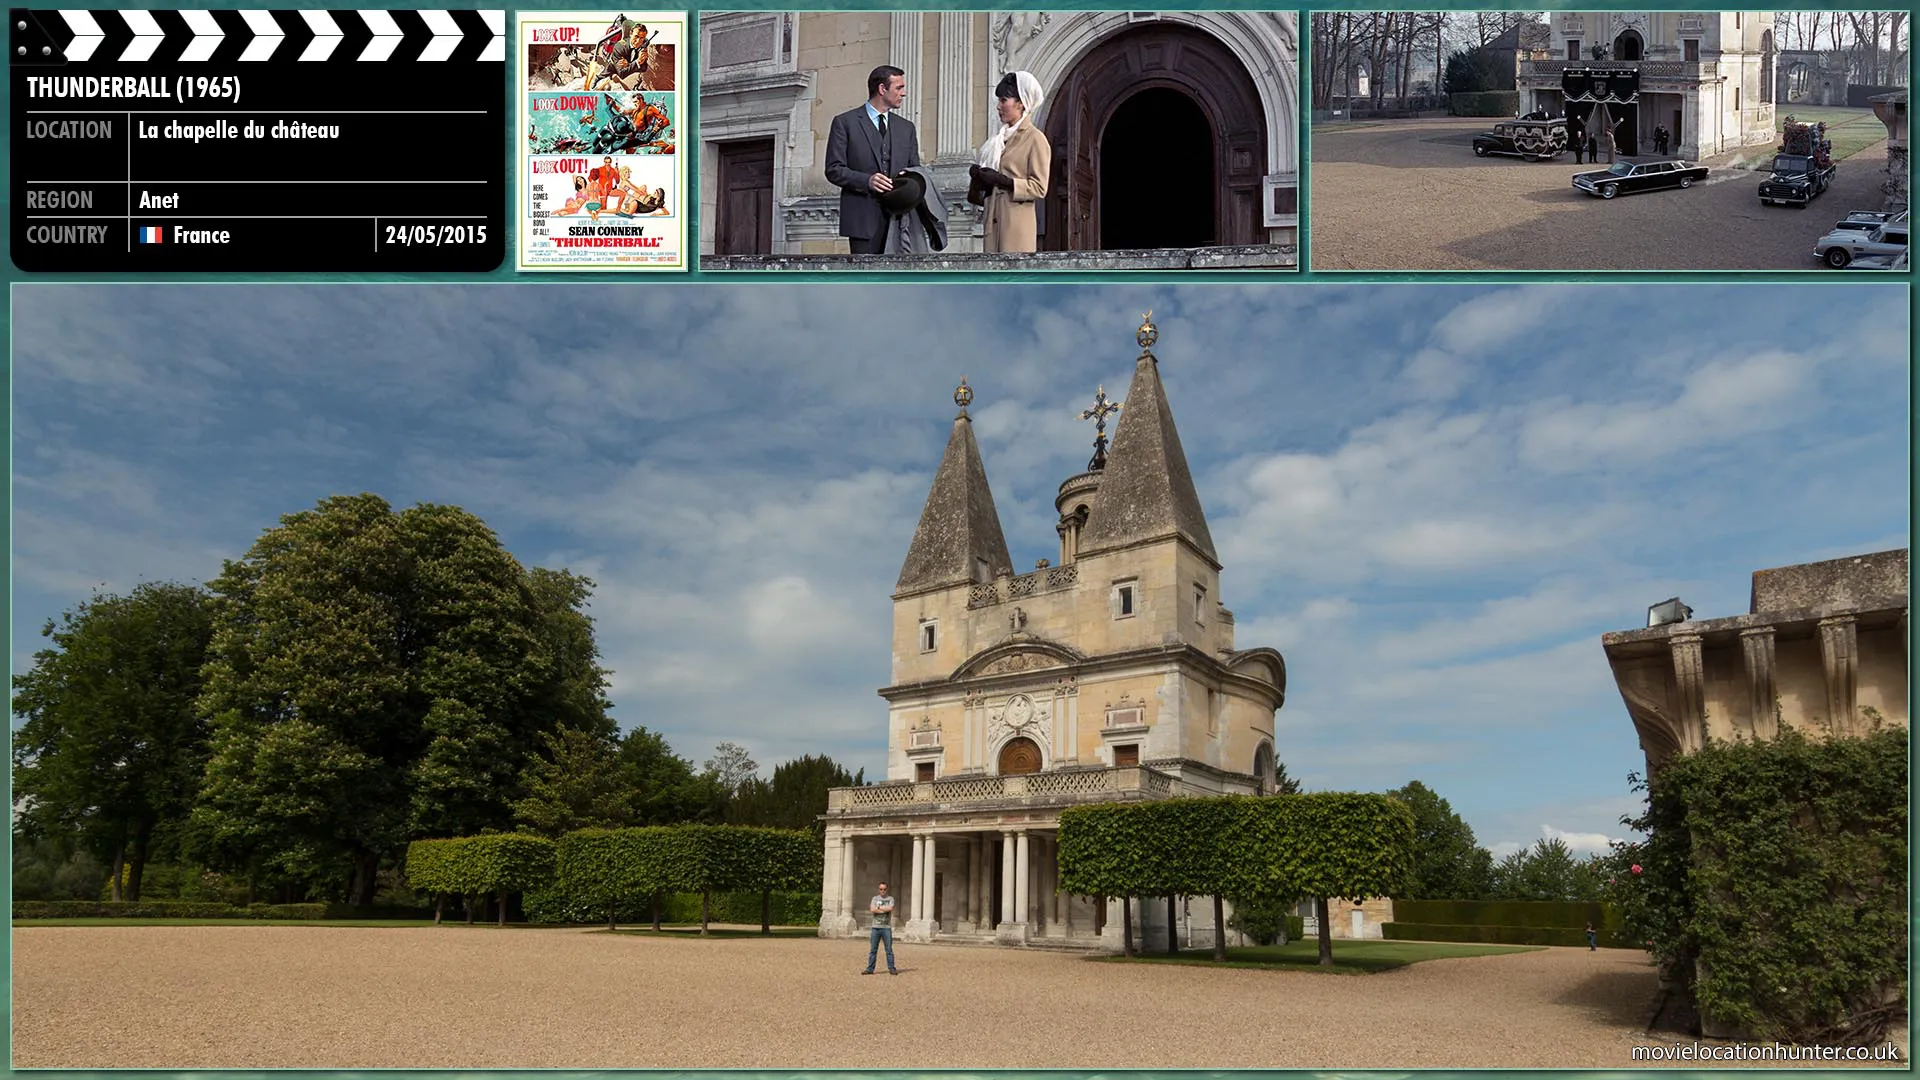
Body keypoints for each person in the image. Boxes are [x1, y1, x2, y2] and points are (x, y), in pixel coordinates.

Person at [825, 65, 920, 254]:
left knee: (898, 281)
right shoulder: (845, 123)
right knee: (866, 280)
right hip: (862, 220)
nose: (904, 93)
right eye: (899, 88)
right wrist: (867, 181)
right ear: (882, 89)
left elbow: (915, 170)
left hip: (900, 221)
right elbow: (833, 169)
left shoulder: (906, 128)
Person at [967, 71, 1051, 254]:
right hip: (992, 225)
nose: (998, 107)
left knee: (1015, 281)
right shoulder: (995, 142)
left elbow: (1039, 187)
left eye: (1004, 100)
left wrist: (1004, 181)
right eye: (999, 101)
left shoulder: (1035, 139)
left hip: (1017, 229)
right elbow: (978, 198)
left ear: (1021, 103)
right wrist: (978, 180)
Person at [863, 882, 899, 975]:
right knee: (873, 950)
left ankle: (892, 968)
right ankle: (870, 969)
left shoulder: (891, 898)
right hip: (875, 927)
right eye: (881, 889)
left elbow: (890, 908)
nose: (882, 891)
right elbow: (872, 909)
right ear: (878, 890)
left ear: (887, 890)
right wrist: (883, 909)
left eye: (884, 889)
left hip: (886, 928)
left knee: (889, 950)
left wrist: (878, 908)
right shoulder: (874, 898)